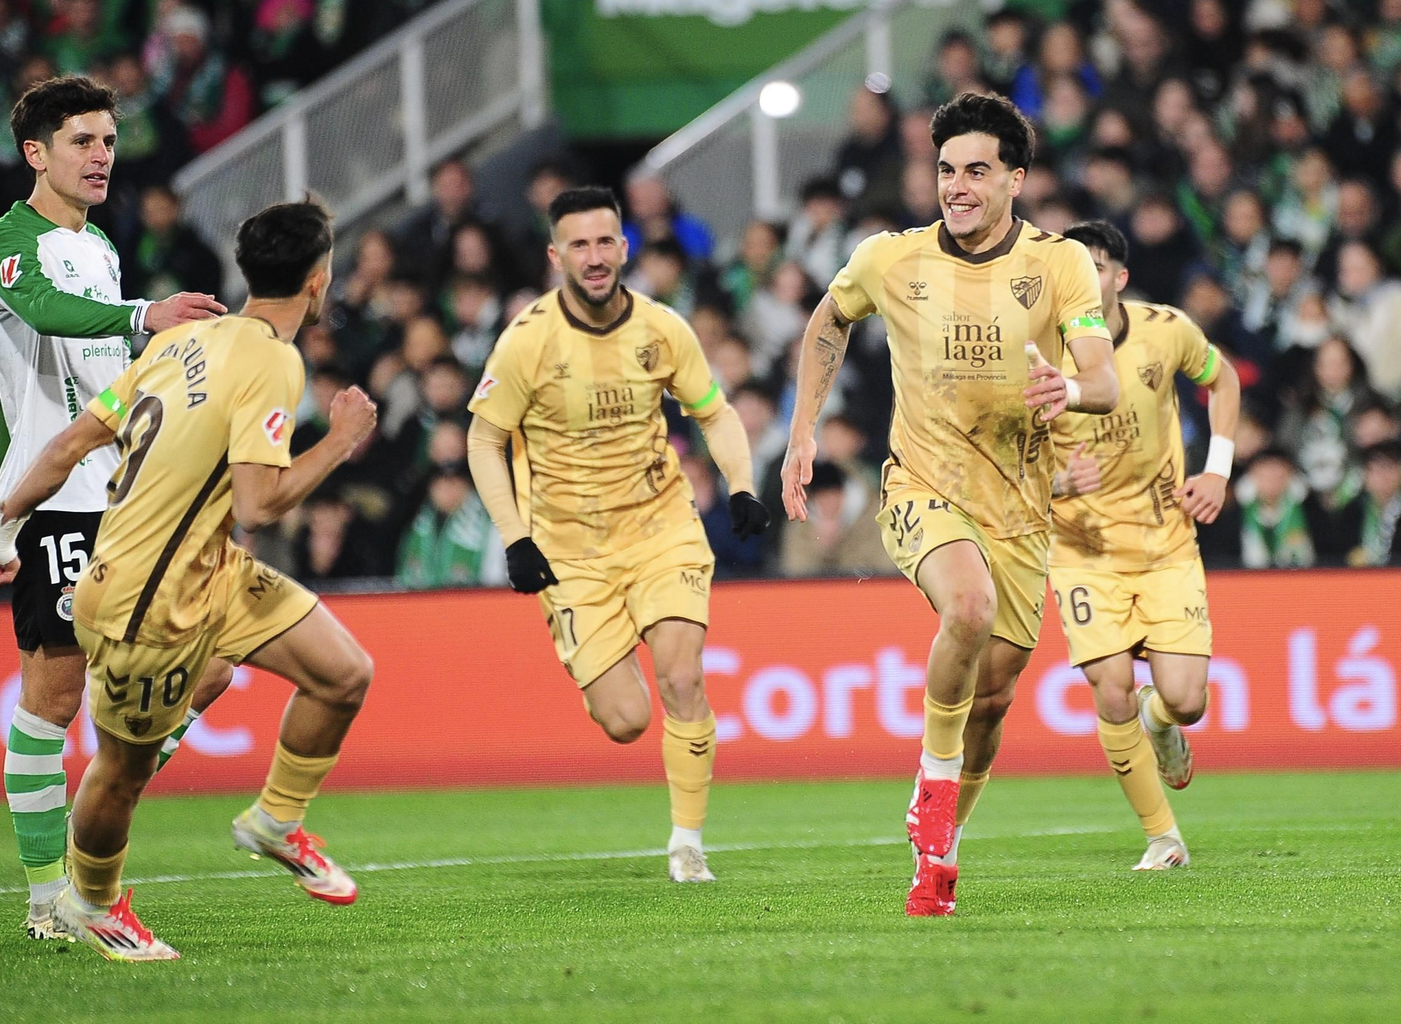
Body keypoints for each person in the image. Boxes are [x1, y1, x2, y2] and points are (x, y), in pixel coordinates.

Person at [0, 199, 381, 961]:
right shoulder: (272, 360)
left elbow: (71, 442)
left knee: (344, 672)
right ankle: (90, 901)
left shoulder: (185, 340)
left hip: (209, 570)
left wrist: (3, 524)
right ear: (319, 281)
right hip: (144, 600)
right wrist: (341, 443)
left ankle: (275, 819)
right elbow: (260, 503)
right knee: (120, 773)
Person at [780, 91, 1119, 917]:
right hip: (922, 486)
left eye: (976, 170)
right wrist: (800, 431)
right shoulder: (890, 258)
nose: (956, 185)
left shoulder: (1060, 265)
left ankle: (942, 850)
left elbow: (1104, 382)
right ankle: (931, 788)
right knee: (964, 608)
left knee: (995, 694)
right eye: (945, 169)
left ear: (1016, 179)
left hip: (1019, 506)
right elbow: (830, 318)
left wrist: (1066, 387)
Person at [0, 77, 231, 942]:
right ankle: (49, 898)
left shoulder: (106, 247)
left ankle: (91, 847)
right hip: (62, 501)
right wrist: (148, 313)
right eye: (83, 140)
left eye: (109, 140)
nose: (102, 155)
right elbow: (47, 311)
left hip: (128, 496)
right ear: (36, 152)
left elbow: (116, 374)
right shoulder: (11, 243)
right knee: (55, 697)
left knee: (215, 662)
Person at [465, 186, 770, 884]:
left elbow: (714, 413)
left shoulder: (663, 328)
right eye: (580, 244)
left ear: (624, 248)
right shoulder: (527, 341)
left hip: (661, 525)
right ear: (556, 255)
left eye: (606, 242)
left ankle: (688, 844)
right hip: (570, 551)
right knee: (627, 718)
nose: (595, 256)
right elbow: (484, 441)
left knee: (683, 675)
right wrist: (515, 536)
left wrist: (741, 483)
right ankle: (609, 654)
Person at [1046, 220, 1241, 871]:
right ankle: (1163, 836)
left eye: (1096, 267)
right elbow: (998, 462)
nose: (1085, 279)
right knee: (1111, 690)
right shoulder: (1035, 352)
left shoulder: (1165, 328)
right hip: (1081, 546)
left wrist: (1217, 468)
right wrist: (1057, 480)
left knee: (1185, 699)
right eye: (1073, 268)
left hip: (1164, 540)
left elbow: (1225, 380)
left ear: (1119, 278)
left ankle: (1162, 726)